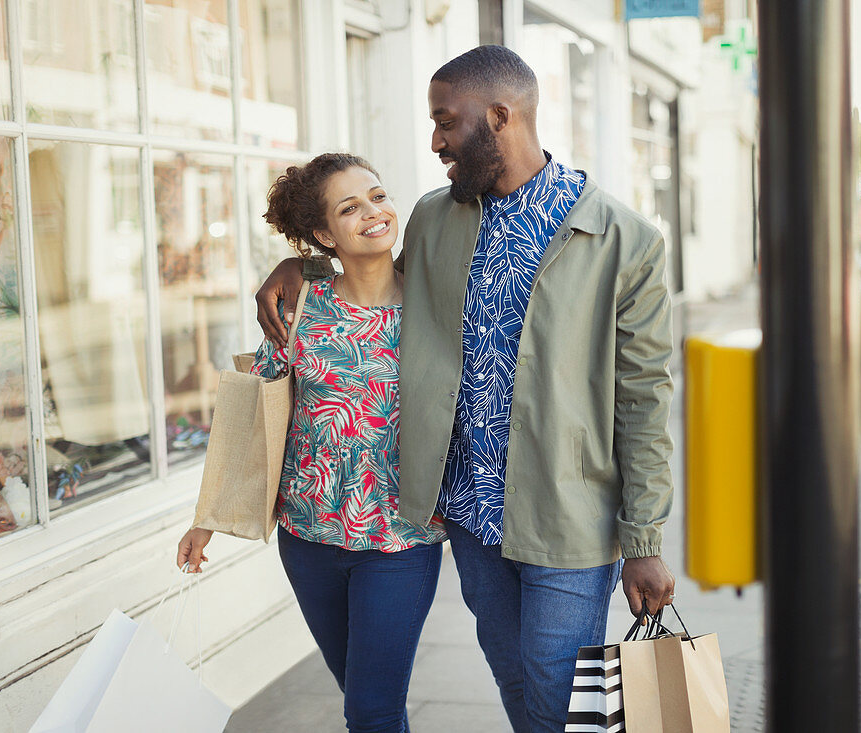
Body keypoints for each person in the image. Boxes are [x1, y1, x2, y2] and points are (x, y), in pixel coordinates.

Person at [256, 46, 676, 733]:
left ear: (500, 117)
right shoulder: (432, 218)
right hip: (471, 516)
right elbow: (365, 269)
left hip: (569, 513)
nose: (437, 141)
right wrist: (297, 262)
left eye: (447, 122)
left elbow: (645, 399)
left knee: (554, 682)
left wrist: (645, 536)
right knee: (513, 671)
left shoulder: (623, 239)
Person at [177, 153, 447, 733]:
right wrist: (209, 516)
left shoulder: (436, 306)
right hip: (308, 541)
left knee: (369, 711)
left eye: (377, 196)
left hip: (400, 542)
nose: (374, 213)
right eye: (350, 208)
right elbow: (256, 416)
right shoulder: (297, 310)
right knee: (367, 695)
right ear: (324, 234)